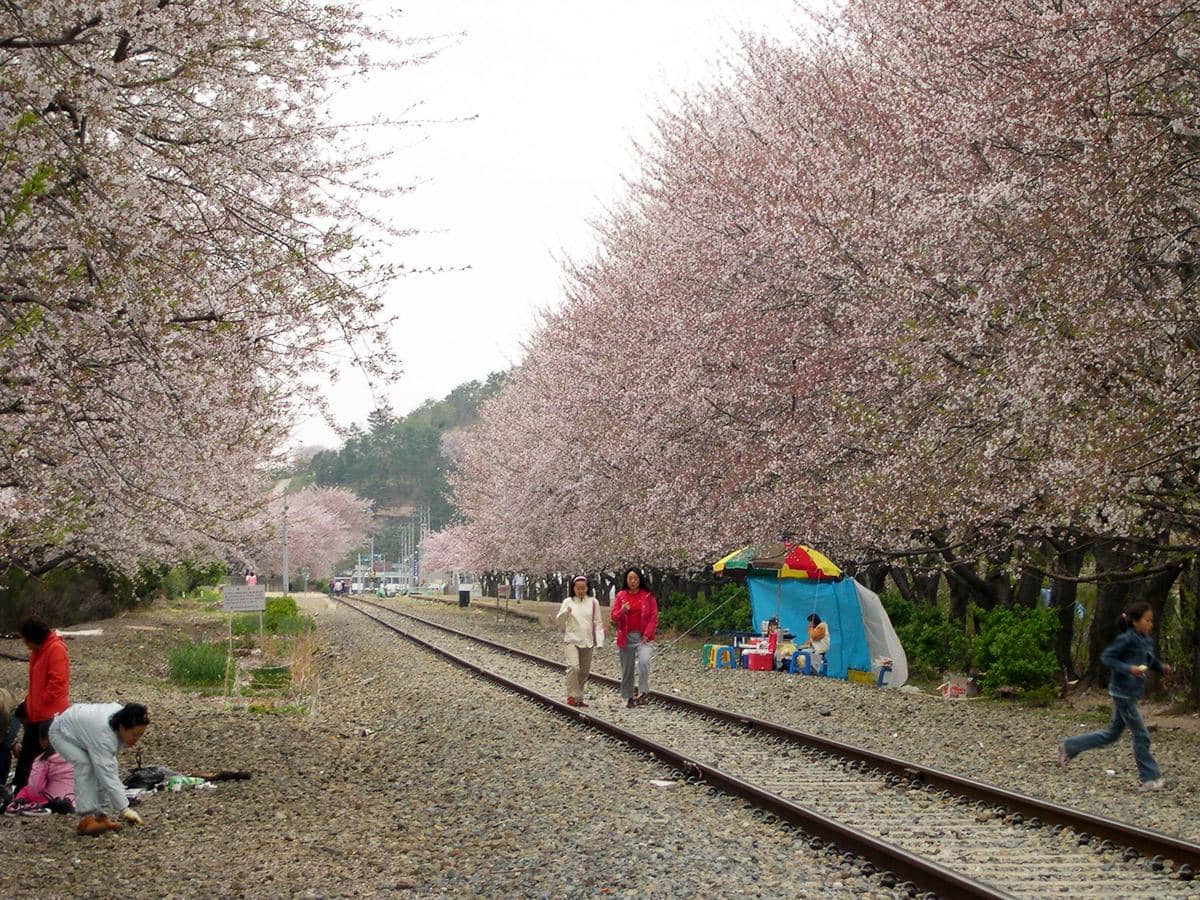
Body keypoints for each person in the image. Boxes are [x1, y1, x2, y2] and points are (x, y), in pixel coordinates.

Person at [1058, 602, 1172, 790]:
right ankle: (1149, 778)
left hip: (1132, 692)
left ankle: (1069, 746)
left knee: (1111, 734)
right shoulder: (1126, 639)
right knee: (1141, 735)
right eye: (1147, 620)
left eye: (1152, 621)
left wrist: (1161, 667)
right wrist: (1128, 668)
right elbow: (1108, 658)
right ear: (1135, 622)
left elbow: (1149, 659)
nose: (1151, 624)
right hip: (1122, 692)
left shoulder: (1146, 640)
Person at [48, 702, 150, 835]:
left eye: (140, 736)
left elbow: (108, 769)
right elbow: (107, 775)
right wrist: (125, 809)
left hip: (83, 733)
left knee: (107, 766)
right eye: (134, 735)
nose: (136, 740)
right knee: (86, 765)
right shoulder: (104, 736)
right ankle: (86, 819)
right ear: (122, 727)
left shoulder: (121, 719)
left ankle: (102, 817)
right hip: (62, 733)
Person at [12, 617, 70, 794]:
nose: (25, 644)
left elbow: (57, 681)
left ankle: (41, 788)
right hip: (36, 712)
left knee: (46, 755)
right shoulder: (39, 651)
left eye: (26, 640)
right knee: (29, 754)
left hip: (49, 713)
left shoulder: (55, 650)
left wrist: (42, 700)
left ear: (33, 637)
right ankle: (21, 788)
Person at [611, 567, 658, 708]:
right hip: (626, 637)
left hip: (644, 637)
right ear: (626, 580)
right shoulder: (621, 596)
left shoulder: (647, 596)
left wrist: (647, 634)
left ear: (640, 580)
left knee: (644, 662)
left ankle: (643, 692)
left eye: (636, 578)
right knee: (627, 668)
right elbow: (613, 616)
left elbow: (654, 617)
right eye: (630, 578)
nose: (633, 581)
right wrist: (622, 610)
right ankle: (629, 697)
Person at [5, 721, 73, 816]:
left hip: (51, 800)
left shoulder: (43, 760)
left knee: (25, 790)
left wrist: (28, 797)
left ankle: (17, 803)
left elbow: (35, 788)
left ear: (42, 740)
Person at [555, 575, 603, 707]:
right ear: (573, 588)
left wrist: (600, 641)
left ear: (588, 588)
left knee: (584, 671)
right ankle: (572, 695)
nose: (581, 591)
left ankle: (579, 697)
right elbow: (559, 621)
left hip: (588, 641)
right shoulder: (567, 602)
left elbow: (598, 622)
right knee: (574, 667)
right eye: (578, 588)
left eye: (584, 588)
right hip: (571, 640)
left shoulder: (593, 602)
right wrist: (566, 613)